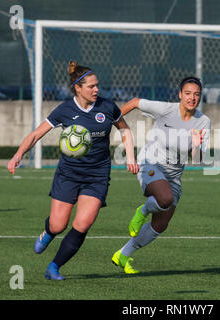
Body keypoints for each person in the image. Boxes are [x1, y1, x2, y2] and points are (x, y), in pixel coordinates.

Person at [7, 61, 139, 280]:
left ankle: (54, 267)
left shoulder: (107, 107)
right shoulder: (65, 110)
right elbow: (35, 134)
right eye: (91, 86)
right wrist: (18, 154)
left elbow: (124, 129)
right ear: (78, 87)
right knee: (59, 224)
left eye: (97, 85)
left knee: (83, 223)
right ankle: (49, 231)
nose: (96, 90)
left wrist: (130, 157)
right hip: (68, 174)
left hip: (97, 175)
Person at [111, 76, 211, 274]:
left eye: (197, 94)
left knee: (161, 224)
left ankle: (122, 255)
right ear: (180, 95)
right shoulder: (166, 109)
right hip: (150, 162)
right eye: (188, 93)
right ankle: (143, 211)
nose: (192, 98)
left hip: (173, 176)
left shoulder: (203, 121)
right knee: (165, 198)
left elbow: (198, 159)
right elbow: (135, 103)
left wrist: (197, 145)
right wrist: (111, 121)